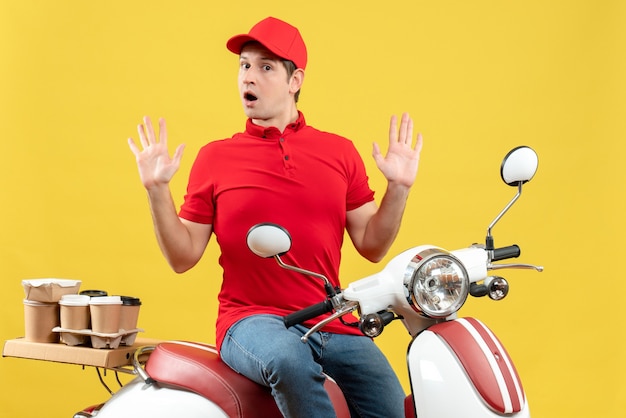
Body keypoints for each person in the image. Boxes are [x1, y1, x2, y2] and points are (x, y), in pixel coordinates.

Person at [128, 16, 423, 418]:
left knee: (386, 395)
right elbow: (183, 257)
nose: (249, 77)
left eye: (265, 67)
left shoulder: (339, 153)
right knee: (289, 361)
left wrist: (399, 188)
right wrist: (156, 190)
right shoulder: (215, 158)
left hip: (330, 320)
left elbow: (373, 245)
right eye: (244, 66)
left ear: (294, 80)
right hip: (250, 321)